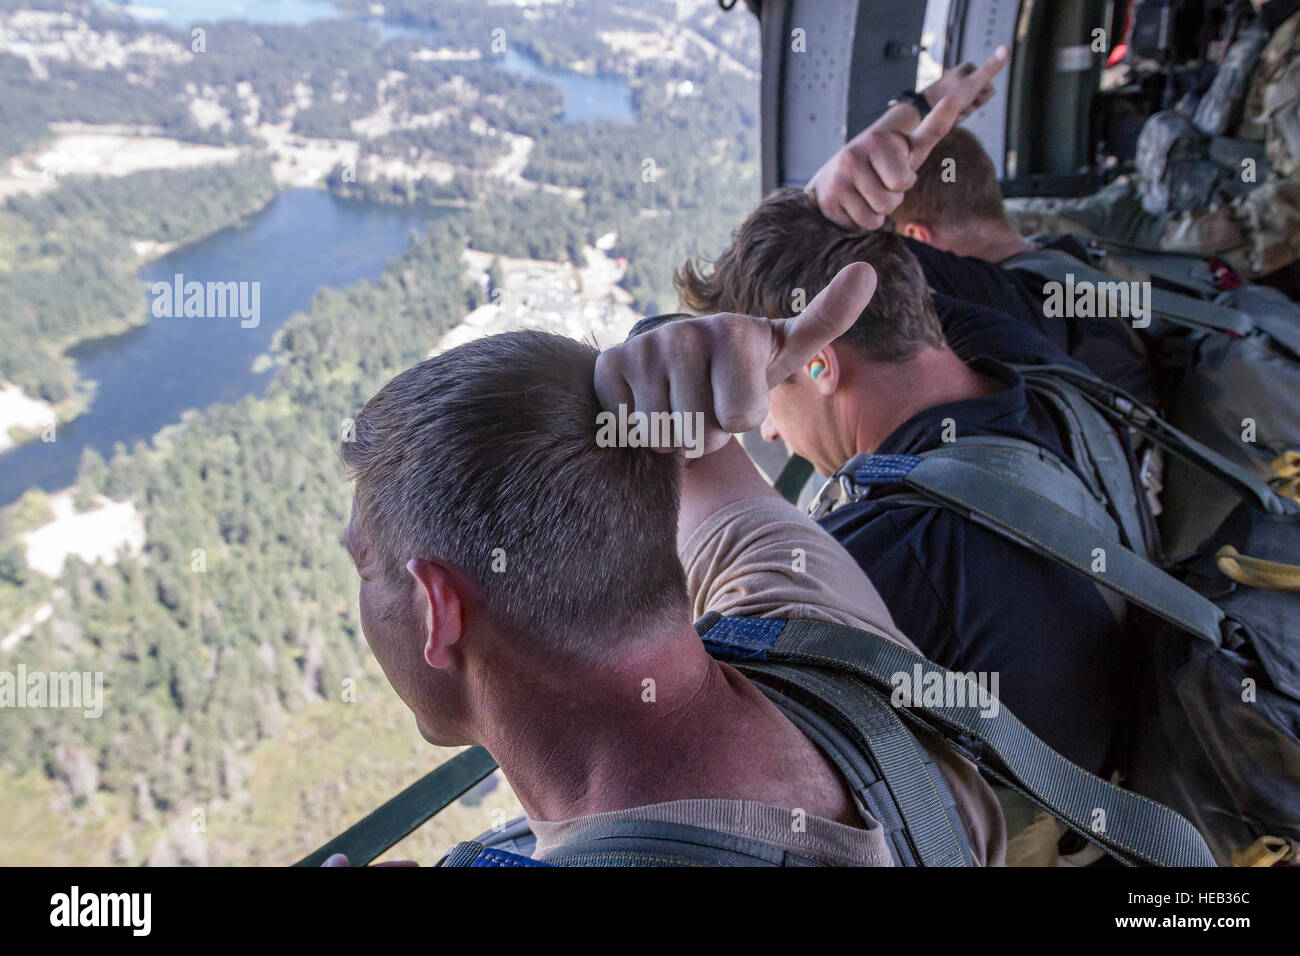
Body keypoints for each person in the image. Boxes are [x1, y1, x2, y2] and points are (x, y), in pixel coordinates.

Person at [336, 266, 1006, 866]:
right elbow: (684, 439)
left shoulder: (796, 602)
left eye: (366, 567)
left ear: (438, 608)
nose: (362, 598)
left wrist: (675, 350)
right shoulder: (815, 623)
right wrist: (675, 347)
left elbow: (680, 435)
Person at [674, 193, 1134, 786]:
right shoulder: (1032, 367)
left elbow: (683, 735)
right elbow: (873, 265)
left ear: (820, 366)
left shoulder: (886, 555)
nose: (767, 428)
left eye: (766, 397)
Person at [807, 57, 1159, 404]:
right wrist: (925, 103)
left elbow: (808, 244)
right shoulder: (1069, 256)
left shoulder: (1008, 310)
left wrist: (925, 104)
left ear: (918, 238)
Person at [1003, 0, 1300, 290]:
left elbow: (1291, 203)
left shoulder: (1289, 50)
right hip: (1151, 199)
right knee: (1011, 221)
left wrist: (1201, 245)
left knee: (1038, 250)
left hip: (1191, 236)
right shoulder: (1256, 26)